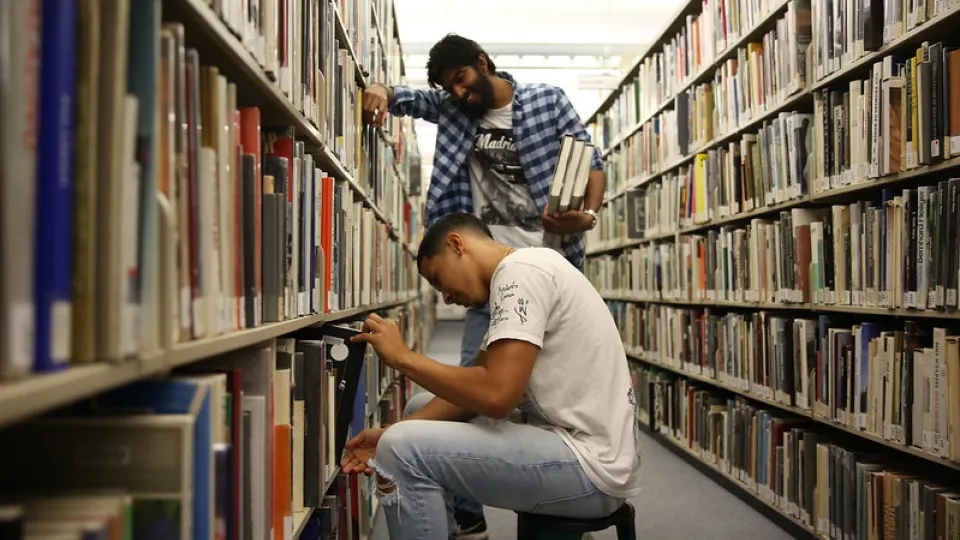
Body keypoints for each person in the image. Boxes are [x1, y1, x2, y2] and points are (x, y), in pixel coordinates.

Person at [360, 35, 606, 536]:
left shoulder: (546, 101)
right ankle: (469, 522)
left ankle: (555, 469)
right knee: (468, 384)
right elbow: (406, 97)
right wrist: (380, 89)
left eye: (463, 80)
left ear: (482, 63)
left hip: (544, 257)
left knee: (506, 385)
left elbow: (590, 160)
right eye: (450, 88)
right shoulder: (454, 110)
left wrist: (587, 215)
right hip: (483, 274)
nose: (460, 93)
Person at [342, 213, 642, 540]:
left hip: (591, 469)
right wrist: (390, 431)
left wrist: (402, 358)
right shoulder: (520, 275)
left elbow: (496, 398)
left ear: (457, 245)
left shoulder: (521, 274)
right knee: (417, 415)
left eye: (439, 279)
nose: (446, 297)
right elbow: (474, 392)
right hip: (576, 448)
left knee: (402, 450)